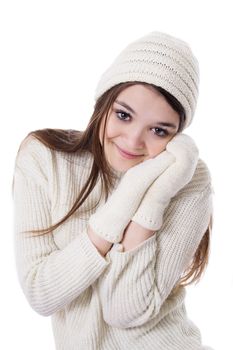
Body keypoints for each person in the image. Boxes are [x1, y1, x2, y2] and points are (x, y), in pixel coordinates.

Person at [12, 30, 215, 349]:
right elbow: (41, 293)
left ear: (177, 137)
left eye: (159, 130)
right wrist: (128, 194)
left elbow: (125, 311)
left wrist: (155, 195)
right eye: (123, 115)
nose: (133, 141)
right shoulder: (44, 157)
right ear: (102, 103)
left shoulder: (188, 177)